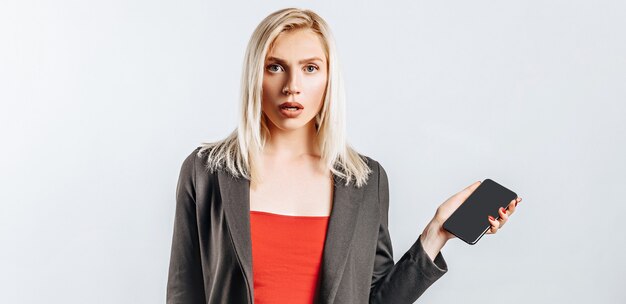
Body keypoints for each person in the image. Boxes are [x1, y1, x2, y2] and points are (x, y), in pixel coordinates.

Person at [166, 7, 522, 304]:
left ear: (328, 78)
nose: (292, 85)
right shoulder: (206, 171)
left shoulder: (365, 181)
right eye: (275, 66)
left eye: (310, 68)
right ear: (254, 75)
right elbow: (184, 292)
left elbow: (375, 298)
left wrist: (437, 233)